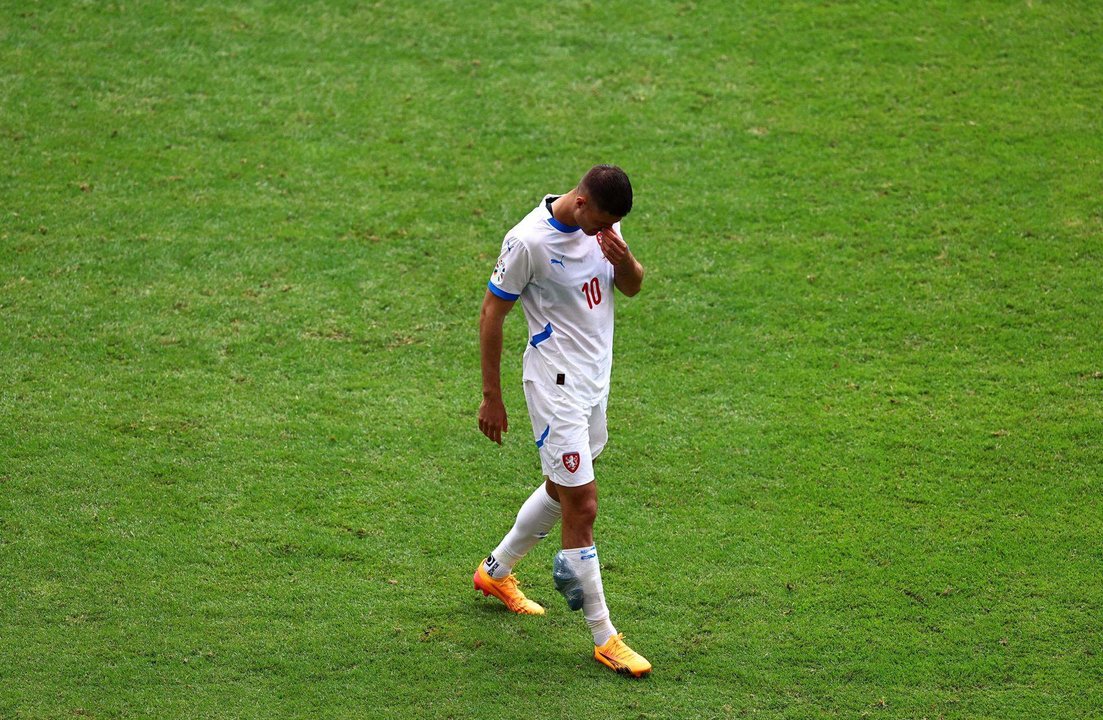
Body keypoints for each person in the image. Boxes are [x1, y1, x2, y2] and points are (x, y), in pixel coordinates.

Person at [473, 164, 651, 677]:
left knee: (560, 487)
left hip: (595, 385)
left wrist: (626, 259)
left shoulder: (607, 229)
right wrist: (491, 397)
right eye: (603, 224)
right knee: (583, 502)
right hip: (556, 389)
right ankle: (605, 636)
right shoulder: (527, 242)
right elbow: (491, 313)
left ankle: (496, 571)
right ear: (582, 202)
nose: (606, 233)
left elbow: (634, 287)